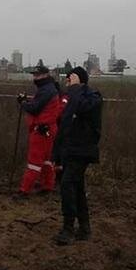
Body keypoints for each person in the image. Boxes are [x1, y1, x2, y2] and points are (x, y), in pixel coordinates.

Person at [52, 66, 103, 246]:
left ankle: (68, 229)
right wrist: (56, 155)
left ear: (80, 80)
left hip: (82, 150)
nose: (68, 82)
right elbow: (63, 127)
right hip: (69, 150)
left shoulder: (93, 97)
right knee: (77, 187)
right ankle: (84, 228)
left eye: (71, 78)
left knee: (67, 185)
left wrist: (76, 88)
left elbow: (82, 109)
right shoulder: (70, 99)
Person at [16, 65, 62, 196]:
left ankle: (25, 189)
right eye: (34, 75)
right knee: (47, 159)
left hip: (41, 130)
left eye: (38, 75)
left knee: (34, 161)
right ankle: (47, 185)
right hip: (49, 129)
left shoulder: (46, 90)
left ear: (45, 75)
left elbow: (35, 108)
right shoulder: (49, 89)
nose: (35, 77)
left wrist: (23, 103)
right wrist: (28, 101)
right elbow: (41, 105)